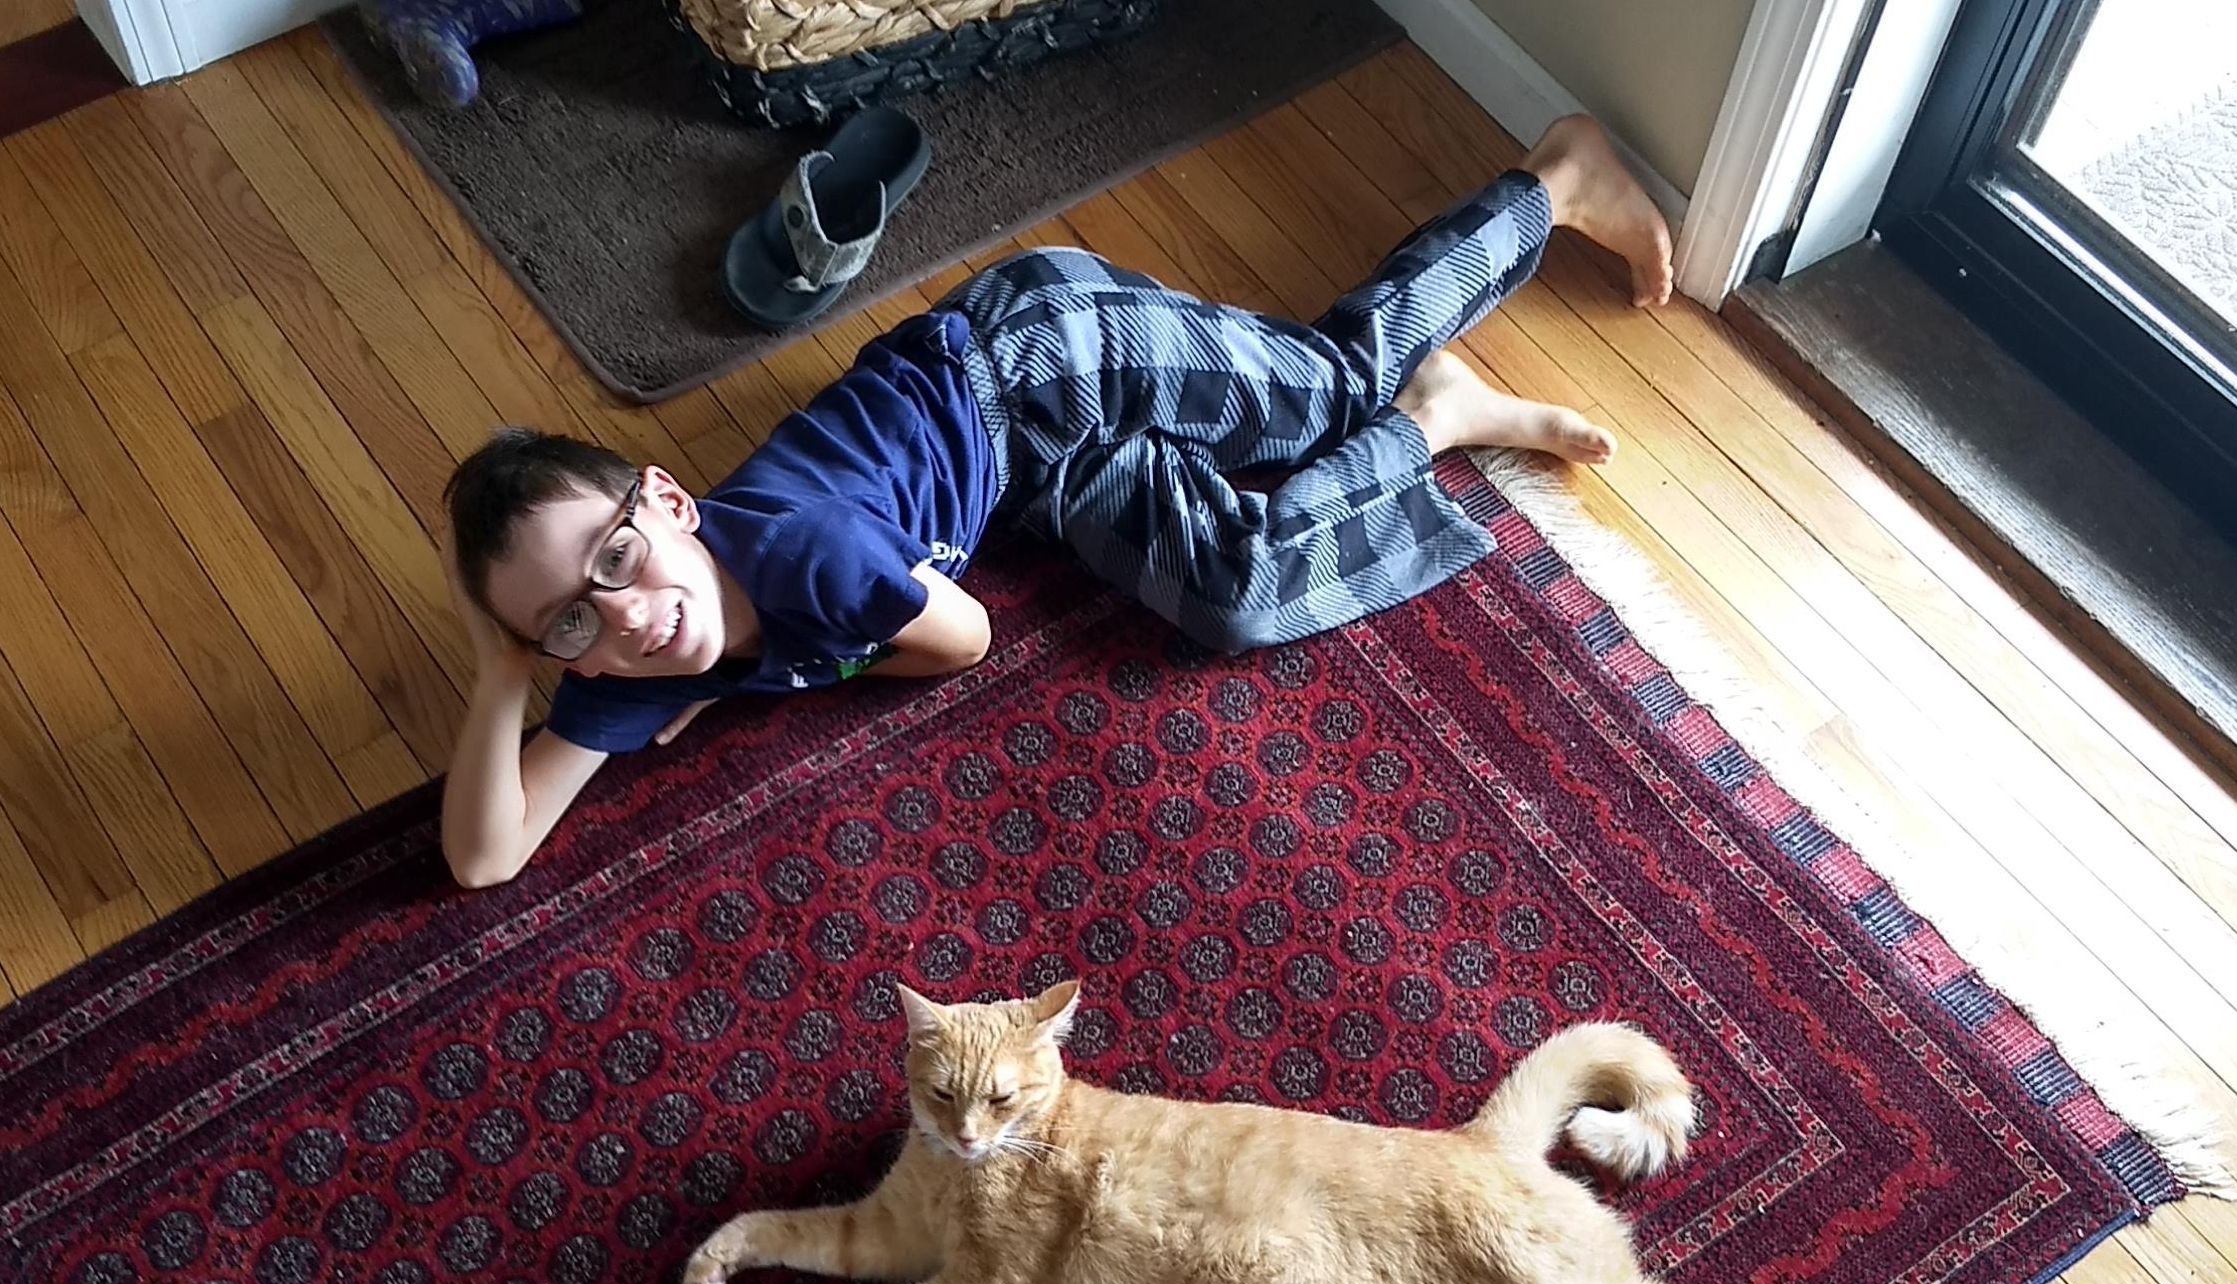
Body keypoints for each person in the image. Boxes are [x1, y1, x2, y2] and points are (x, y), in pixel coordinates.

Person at [438, 114, 1675, 888]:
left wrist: (794, 664)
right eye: (566, 622)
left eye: (615, 558)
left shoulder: (808, 558)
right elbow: (486, 857)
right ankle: (1438, 416)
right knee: (1236, 596)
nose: (623, 614)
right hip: (1021, 485)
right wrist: (505, 676)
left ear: (667, 503)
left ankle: (1553, 182)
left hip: (1035, 358)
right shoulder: (630, 657)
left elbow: (963, 639)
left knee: (1327, 390)